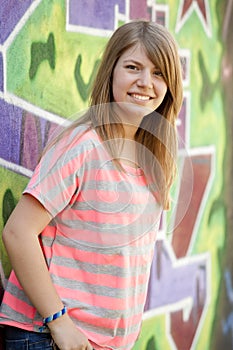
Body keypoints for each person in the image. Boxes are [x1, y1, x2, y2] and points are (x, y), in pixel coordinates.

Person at [0, 20, 183, 350]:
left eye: (158, 73)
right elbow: (18, 232)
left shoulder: (153, 159)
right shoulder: (83, 145)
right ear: (111, 70)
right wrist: (60, 323)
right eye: (133, 67)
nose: (145, 82)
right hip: (50, 335)